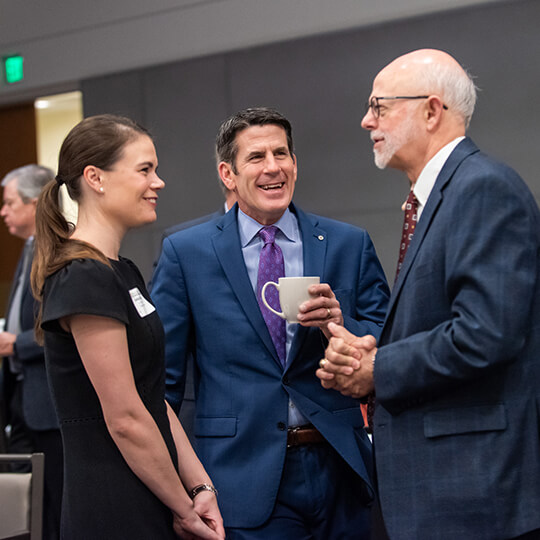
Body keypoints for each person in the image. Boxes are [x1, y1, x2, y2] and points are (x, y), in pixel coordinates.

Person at [317, 49, 540, 540]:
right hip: (440, 488)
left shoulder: (483, 189)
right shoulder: (440, 195)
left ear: (432, 110)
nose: (365, 121)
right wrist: (374, 348)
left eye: (379, 106)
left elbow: (485, 334)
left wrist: (378, 369)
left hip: (473, 491)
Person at [151, 107, 390, 539]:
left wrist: (341, 322)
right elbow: (162, 384)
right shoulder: (186, 253)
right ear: (228, 173)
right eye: (256, 157)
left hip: (339, 466)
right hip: (239, 475)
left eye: (282, 154)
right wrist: (178, 488)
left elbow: (387, 339)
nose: (273, 167)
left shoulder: (346, 244)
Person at [31, 114, 225, 539]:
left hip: (155, 489)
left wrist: (199, 487)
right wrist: (184, 508)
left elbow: (153, 399)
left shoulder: (123, 272)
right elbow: (125, 417)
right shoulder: (82, 275)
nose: (158, 182)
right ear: (95, 178)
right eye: (145, 170)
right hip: (114, 503)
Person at [1, 164, 63, 540]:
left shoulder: (56, 249)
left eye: (9, 203)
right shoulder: (27, 248)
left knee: (53, 507)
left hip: (51, 407)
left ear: (35, 202)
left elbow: (60, 325)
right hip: (22, 401)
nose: (3, 211)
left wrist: (15, 344)